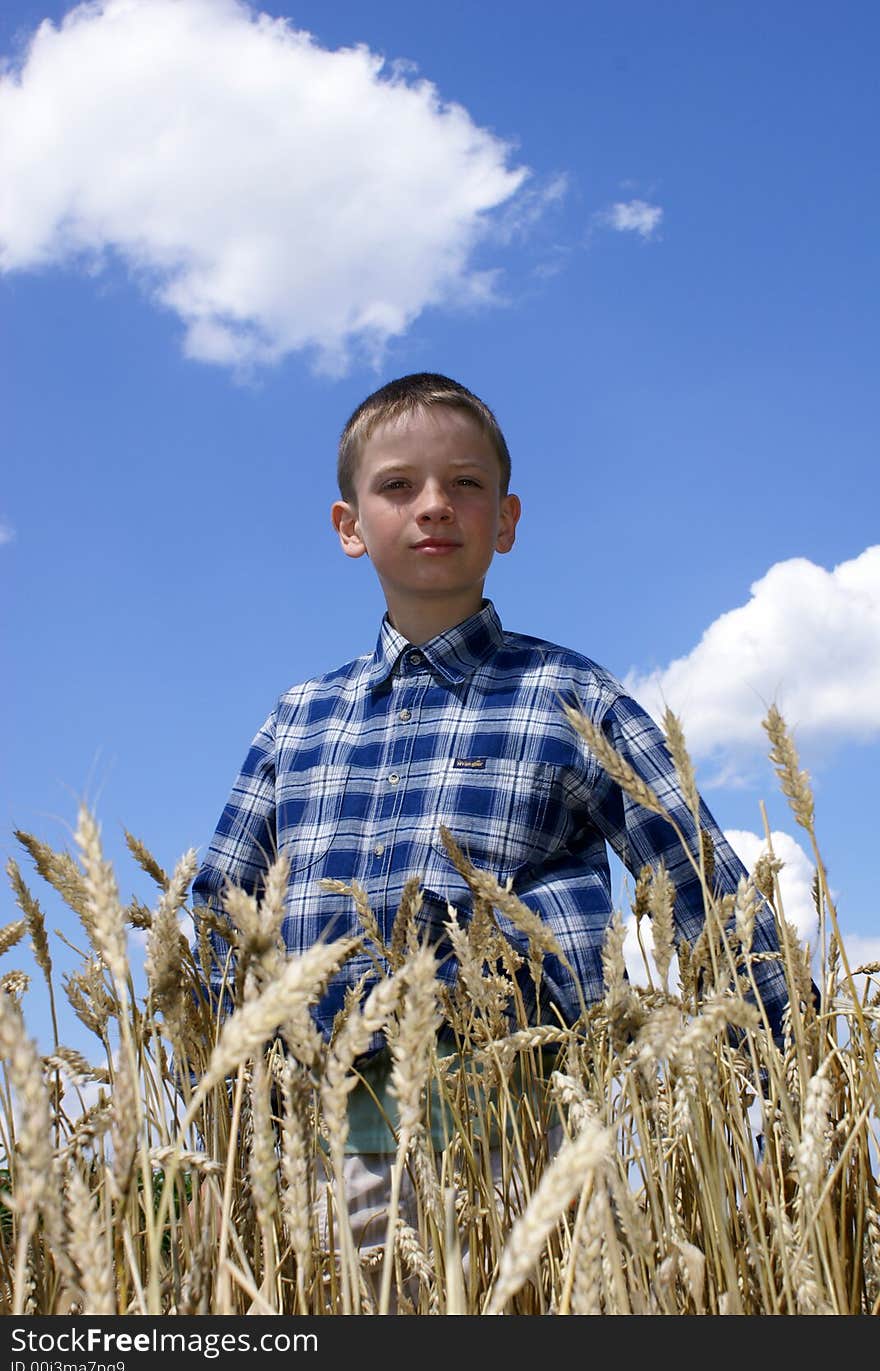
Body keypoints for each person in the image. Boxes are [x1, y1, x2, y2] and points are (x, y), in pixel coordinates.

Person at [191, 371, 790, 1278]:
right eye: (398, 485)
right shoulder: (298, 718)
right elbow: (216, 918)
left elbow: (704, 883)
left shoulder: (569, 696)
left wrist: (790, 1074)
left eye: (465, 484)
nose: (435, 505)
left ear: (505, 520)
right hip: (317, 1133)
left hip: (513, 1117)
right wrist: (217, 1121)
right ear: (350, 527)